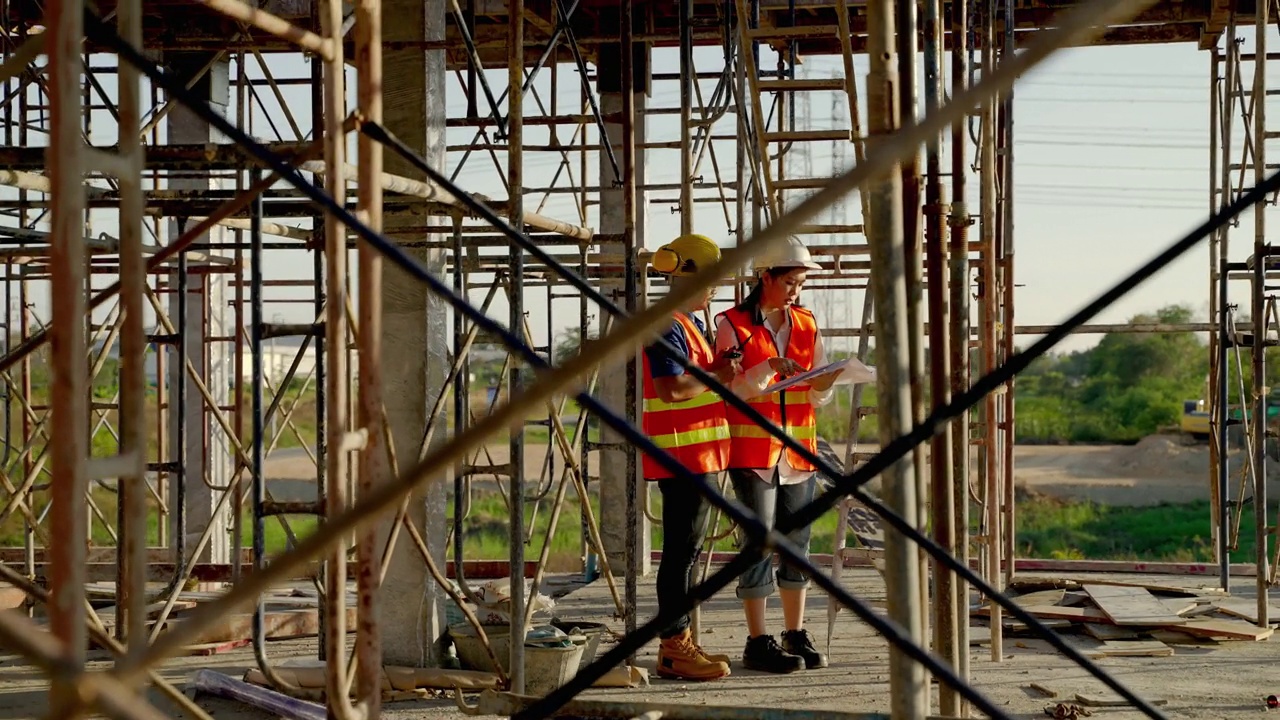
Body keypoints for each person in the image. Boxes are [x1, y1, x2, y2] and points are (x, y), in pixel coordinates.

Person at [713, 237, 843, 674]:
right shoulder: (732, 324)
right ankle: (757, 640)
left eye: (800, 283)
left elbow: (816, 394)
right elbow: (729, 389)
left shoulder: (806, 323)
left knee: (798, 544)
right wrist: (768, 368)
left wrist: (826, 383)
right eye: (790, 281)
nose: (796, 291)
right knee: (758, 543)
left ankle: (794, 633)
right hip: (752, 452)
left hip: (798, 453)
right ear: (765, 277)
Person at [642, 232, 742, 682]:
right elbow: (672, 388)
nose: (715, 289)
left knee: (687, 551)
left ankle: (677, 641)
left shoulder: (687, 323)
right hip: (682, 456)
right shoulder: (667, 323)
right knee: (680, 555)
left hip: (699, 454)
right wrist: (717, 372)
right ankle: (674, 645)